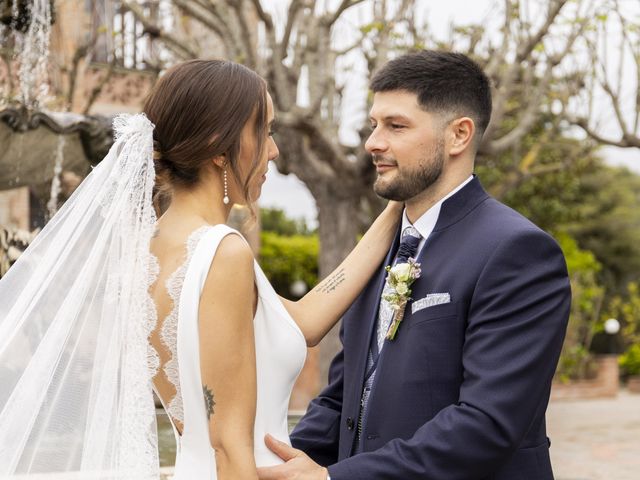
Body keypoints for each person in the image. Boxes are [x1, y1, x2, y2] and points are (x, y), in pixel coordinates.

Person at [0, 59, 401, 479]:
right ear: (217, 144)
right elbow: (229, 445)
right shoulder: (224, 252)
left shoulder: (152, 249)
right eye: (263, 131)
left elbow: (300, 322)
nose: (273, 150)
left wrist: (397, 205)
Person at [257, 51, 571, 480]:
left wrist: (333, 478)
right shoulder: (379, 249)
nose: (373, 143)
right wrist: (278, 461)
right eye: (373, 125)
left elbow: (487, 424)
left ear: (459, 135)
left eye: (396, 126)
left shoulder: (518, 252)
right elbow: (343, 397)